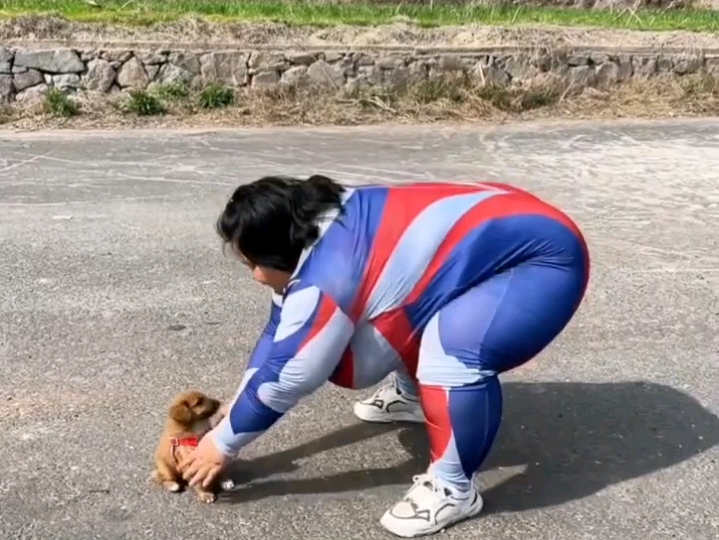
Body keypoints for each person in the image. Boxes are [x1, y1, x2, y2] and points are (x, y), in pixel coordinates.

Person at [178, 175, 590, 537]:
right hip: (507, 229)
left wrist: (221, 444)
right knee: (400, 303)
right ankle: (415, 397)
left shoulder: (329, 271)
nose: (253, 275)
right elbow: (280, 332)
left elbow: (293, 372)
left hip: (541, 261)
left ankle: (453, 488)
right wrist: (237, 407)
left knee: (447, 352)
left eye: (252, 264)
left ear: (273, 253)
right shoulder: (310, 228)